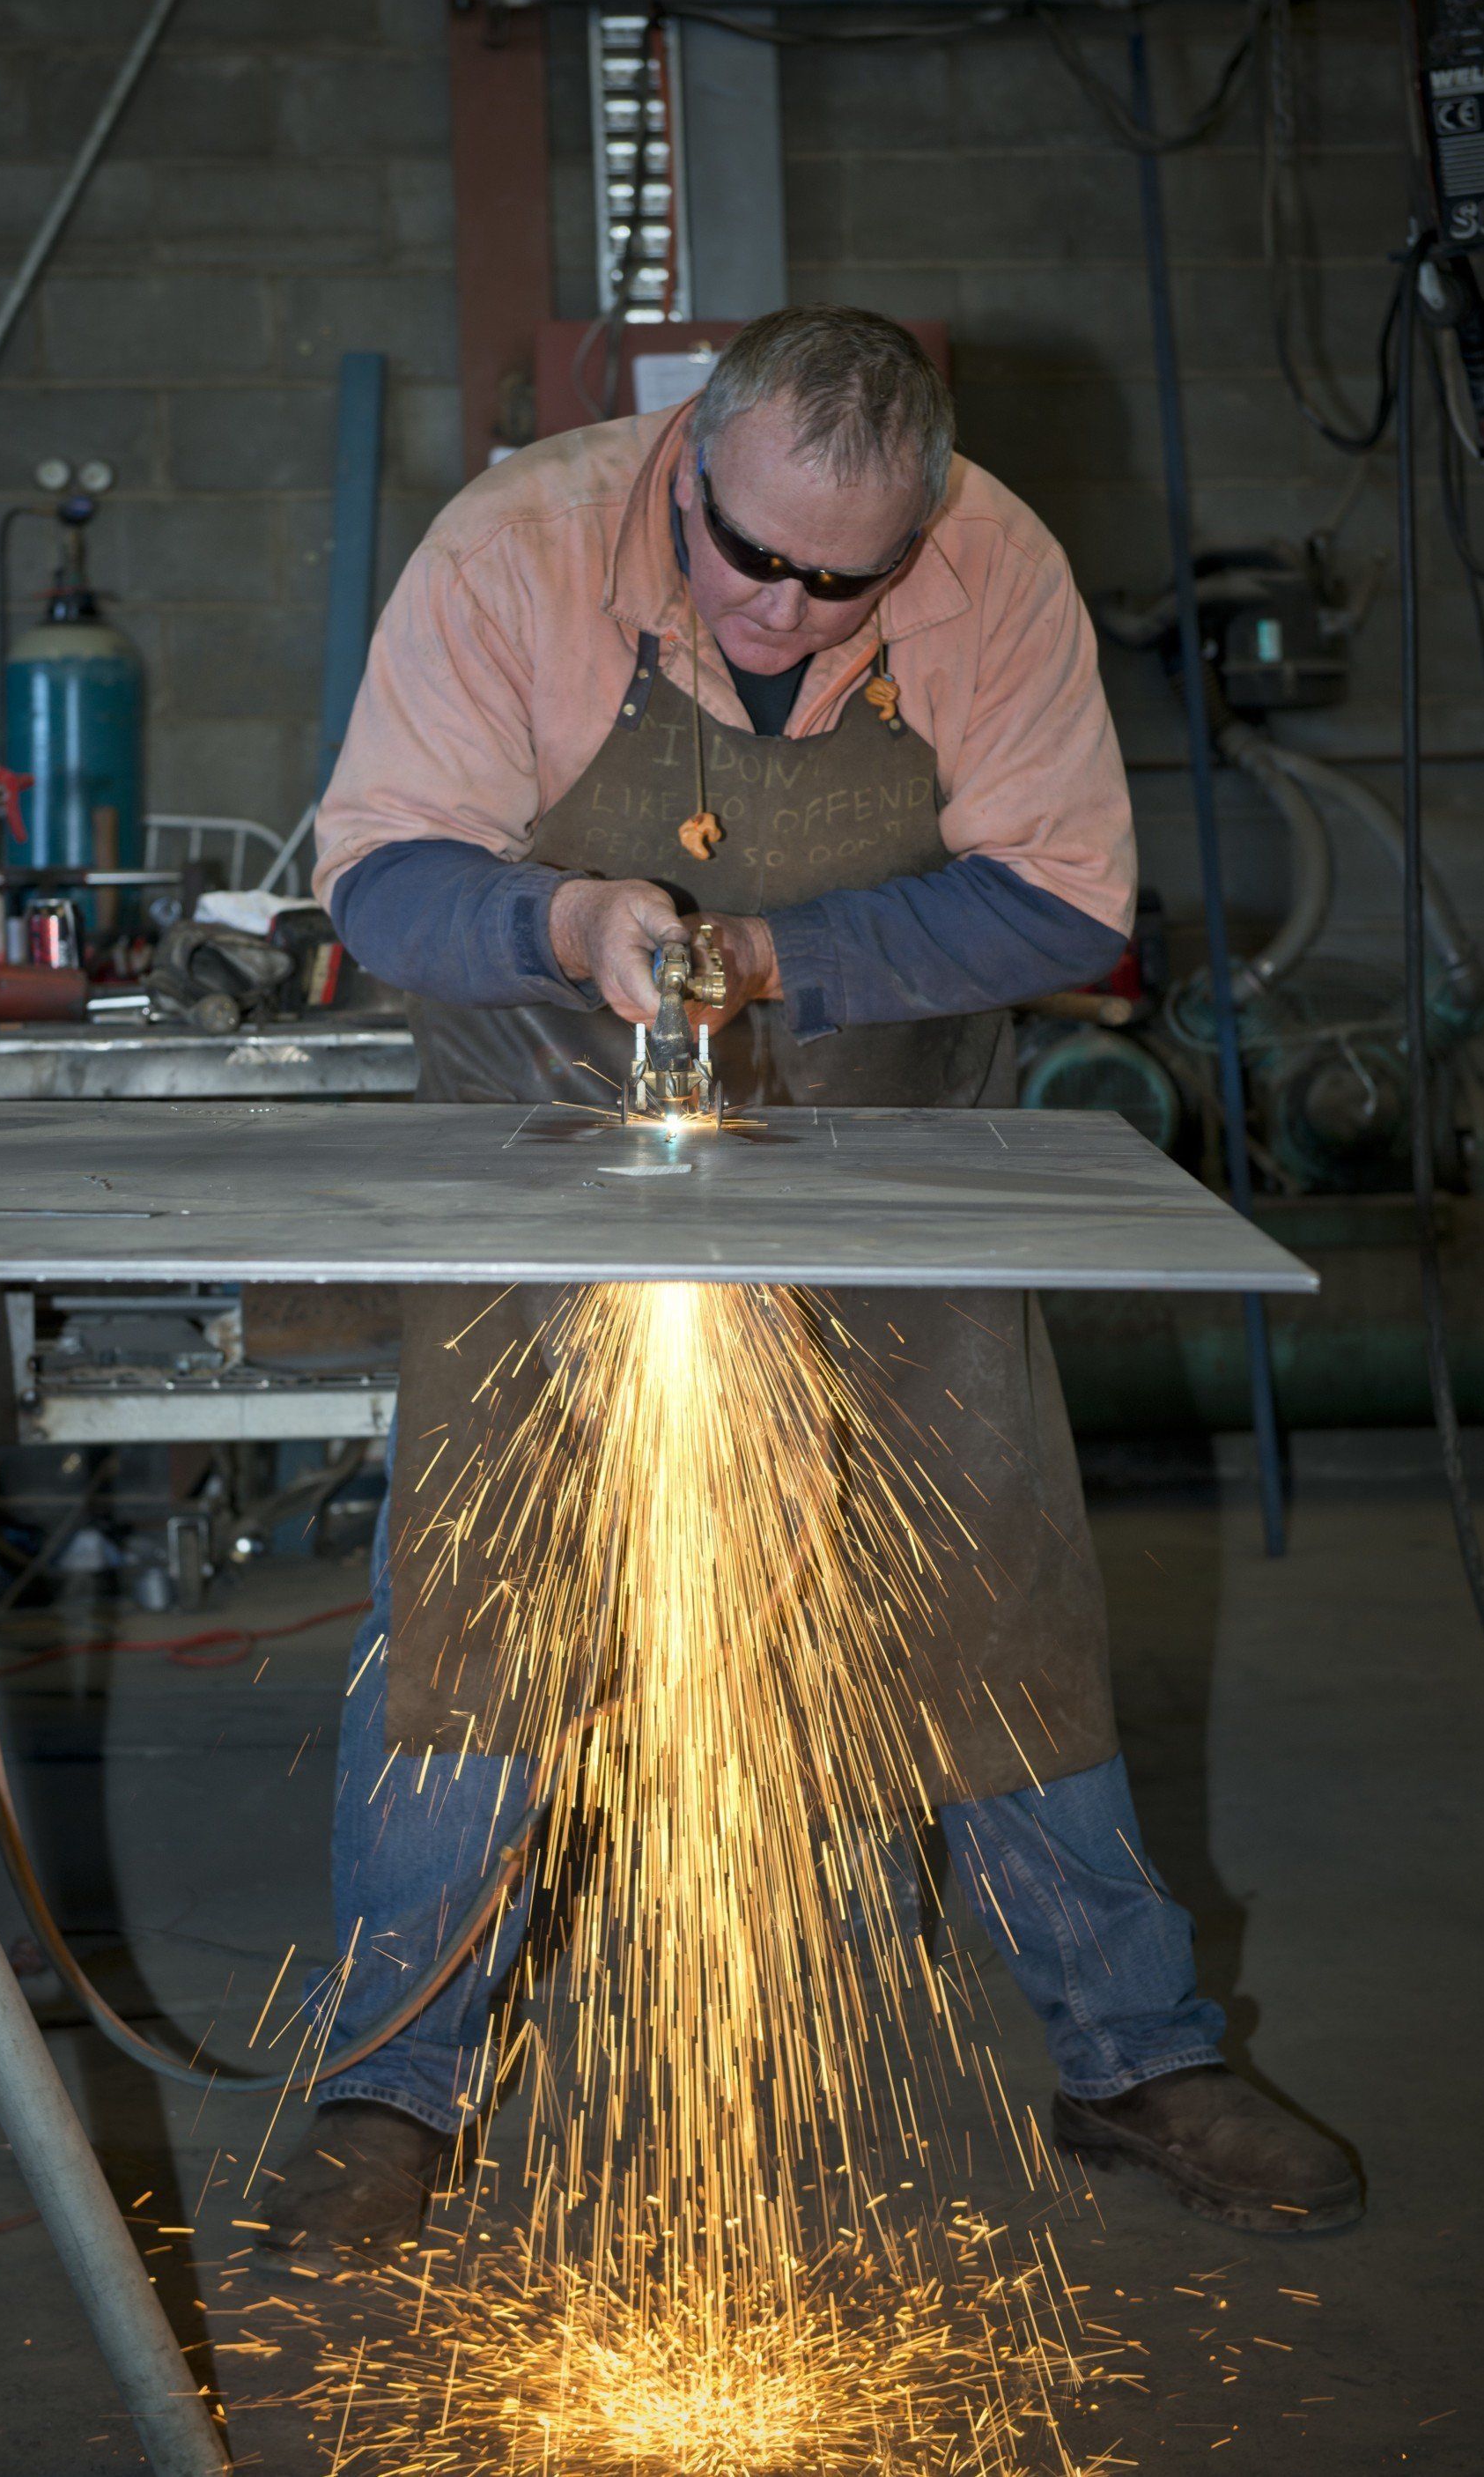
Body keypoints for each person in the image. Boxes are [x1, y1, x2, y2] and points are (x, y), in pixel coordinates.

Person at [256, 307, 1360, 2274]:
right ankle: (390, 2084)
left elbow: (1065, 895)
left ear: (918, 525)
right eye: (748, 554)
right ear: (689, 459)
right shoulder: (520, 543)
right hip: (551, 1133)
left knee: (989, 1577)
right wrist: (571, 916)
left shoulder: (993, 566)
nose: (782, 611)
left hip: (883, 1138)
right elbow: (379, 871)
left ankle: (1135, 2051)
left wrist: (769, 959)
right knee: (484, 1603)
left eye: (844, 582)